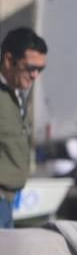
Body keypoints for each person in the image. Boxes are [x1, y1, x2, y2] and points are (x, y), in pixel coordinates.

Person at [0, 27, 47, 230]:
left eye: (40, 69)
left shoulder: (17, 92)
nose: (35, 75)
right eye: (30, 67)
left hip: (9, 200)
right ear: (9, 60)